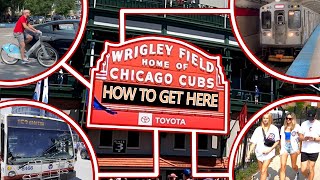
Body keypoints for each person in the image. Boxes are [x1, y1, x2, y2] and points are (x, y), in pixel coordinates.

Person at [246, 112, 280, 180]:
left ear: (270, 119)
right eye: (264, 118)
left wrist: (270, 149)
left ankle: (265, 176)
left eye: (267, 118)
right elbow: (253, 143)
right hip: (259, 152)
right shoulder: (258, 129)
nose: (265, 120)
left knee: (263, 170)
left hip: (269, 153)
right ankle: (267, 175)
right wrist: (248, 153)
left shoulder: (274, 129)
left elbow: (277, 141)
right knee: (262, 170)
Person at [299, 109, 320, 180]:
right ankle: (307, 177)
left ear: (315, 115)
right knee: (303, 169)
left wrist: (314, 139)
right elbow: (300, 136)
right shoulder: (304, 124)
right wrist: (304, 138)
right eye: (309, 118)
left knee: (311, 168)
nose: (310, 120)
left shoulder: (318, 124)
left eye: (312, 118)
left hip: (314, 150)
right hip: (305, 149)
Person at [279, 112, 301, 180]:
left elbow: (301, 138)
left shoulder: (297, 127)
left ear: (293, 119)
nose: (288, 120)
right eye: (287, 118)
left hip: (293, 147)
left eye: (290, 118)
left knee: (293, 166)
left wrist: (299, 149)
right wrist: (280, 148)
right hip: (285, 147)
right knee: (282, 166)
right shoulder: (283, 127)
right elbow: (281, 139)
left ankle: (297, 172)